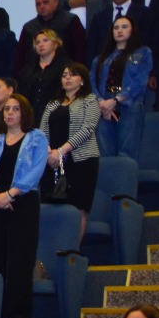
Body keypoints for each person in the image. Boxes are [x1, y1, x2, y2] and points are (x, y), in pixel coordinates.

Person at [0, 93, 48, 318]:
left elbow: (36, 172)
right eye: (7, 109)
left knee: (20, 260)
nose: (9, 113)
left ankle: (18, 316)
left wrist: (9, 194)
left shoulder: (36, 138)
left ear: (24, 113)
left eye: (15, 109)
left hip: (23, 203)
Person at [40, 62, 102, 243]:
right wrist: (49, 152)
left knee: (78, 207)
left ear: (82, 80)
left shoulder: (90, 100)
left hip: (82, 160)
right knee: (50, 205)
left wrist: (61, 151)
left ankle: (72, 250)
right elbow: (42, 130)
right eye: (64, 75)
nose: (67, 77)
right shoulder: (52, 104)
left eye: (72, 74)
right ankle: (53, 248)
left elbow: (87, 129)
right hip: (52, 160)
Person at [93, 14, 154, 160]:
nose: (119, 30)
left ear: (132, 30)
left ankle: (125, 175)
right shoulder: (101, 58)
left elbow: (140, 81)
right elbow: (93, 82)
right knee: (105, 152)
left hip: (129, 104)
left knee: (127, 151)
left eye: (124, 27)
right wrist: (102, 101)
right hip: (105, 105)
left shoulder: (143, 52)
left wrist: (116, 100)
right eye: (116, 28)